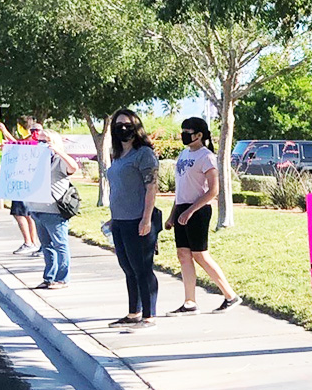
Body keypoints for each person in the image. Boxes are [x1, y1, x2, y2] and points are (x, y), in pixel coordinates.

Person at [164, 117, 240, 315]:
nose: (184, 134)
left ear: (199, 135)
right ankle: (189, 302)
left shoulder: (207, 157)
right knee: (183, 255)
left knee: (200, 254)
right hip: (182, 209)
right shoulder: (183, 154)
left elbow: (213, 190)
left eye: (187, 131)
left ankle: (230, 296)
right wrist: (174, 215)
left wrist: (191, 211)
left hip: (198, 210)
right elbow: (181, 189)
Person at [102, 109, 161, 329]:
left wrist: (146, 219)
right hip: (120, 220)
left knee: (142, 268)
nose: (123, 128)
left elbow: (151, 187)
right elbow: (119, 188)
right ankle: (133, 312)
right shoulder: (117, 155)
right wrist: (112, 218)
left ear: (136, 127)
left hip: (139, 219)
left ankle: (149, 314)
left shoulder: (144, 154)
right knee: (128, 267)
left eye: (127, 124)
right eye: (119, 125)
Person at [27, 127, 79, 290]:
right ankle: (49, 277)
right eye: (39, 140)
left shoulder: (59, 161)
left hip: (54, 211)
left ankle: (63, 278)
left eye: (45, 141)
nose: (41, 143)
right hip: (37, 209)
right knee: (46, 246)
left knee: (60, 244)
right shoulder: (35, 160)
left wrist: (58, 151)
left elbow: (73, 167)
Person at [0, 119, 41, 254]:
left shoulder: (31, 143)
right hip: (29, 184)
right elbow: (16, 144)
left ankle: (29, 242)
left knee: (20, 214)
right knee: (28, 214)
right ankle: (33, 242)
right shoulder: (38, 144)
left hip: (23, 183)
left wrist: (5, 132)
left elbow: (17, 145)